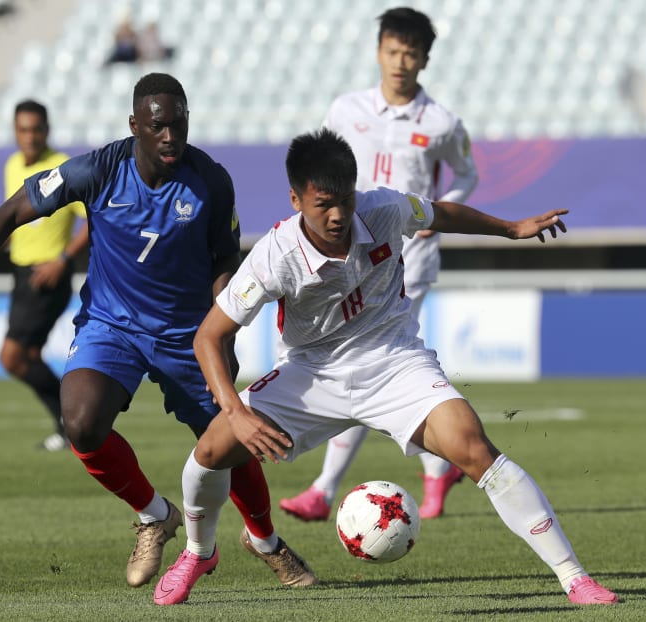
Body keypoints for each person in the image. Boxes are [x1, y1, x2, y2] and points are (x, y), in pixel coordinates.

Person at [153, 128, 618, 606]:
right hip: (312, 373)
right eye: (322, 204)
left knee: (473, 446)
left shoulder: (384, 209)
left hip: (394, 361)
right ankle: (198, 551)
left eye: (346, 201)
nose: (337, 216)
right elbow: (209, 335)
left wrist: (510, 228)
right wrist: (235, 411)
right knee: (209, 452)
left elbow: (441, 213)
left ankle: (573, 577)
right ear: (296, 199)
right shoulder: (274, 256)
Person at [0, 73, 316, 591]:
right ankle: (154, 514)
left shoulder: (210, 180)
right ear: (135, 125)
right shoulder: (98, 169)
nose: (171, 136)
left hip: (186, 333)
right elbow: (11, 211)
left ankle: (265, 541)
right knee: (79, 421)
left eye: (179, 123)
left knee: (227, 440)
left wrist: (222, 337)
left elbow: (223, 261)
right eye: (159, 126)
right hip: (111, 326)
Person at [280, 7, 477, 522]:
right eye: (393, 51)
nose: (400, 62)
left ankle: (325, 490)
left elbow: (467, 175)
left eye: (411, 53)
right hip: (351, 253)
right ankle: (438, 472)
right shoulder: (346, 109)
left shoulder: (442, 122)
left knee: (371, 361)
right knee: (365, 362)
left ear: (425, 60)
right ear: (379, 52)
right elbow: (320, 170)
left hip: (409, 257)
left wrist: (438, 212)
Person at [0, 99, 88, 452]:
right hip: (20, 276)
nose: (30, 137)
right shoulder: (11, 166)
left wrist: (63, 259)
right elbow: (12, 219)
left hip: (47, 278)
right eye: (23, 130)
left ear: (47, 131)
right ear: (15, 132)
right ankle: (68, 426)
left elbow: (92, 218)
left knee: (11, 357)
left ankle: (72, 419)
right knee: (29, 357)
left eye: (36, 129)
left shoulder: (61, 167)